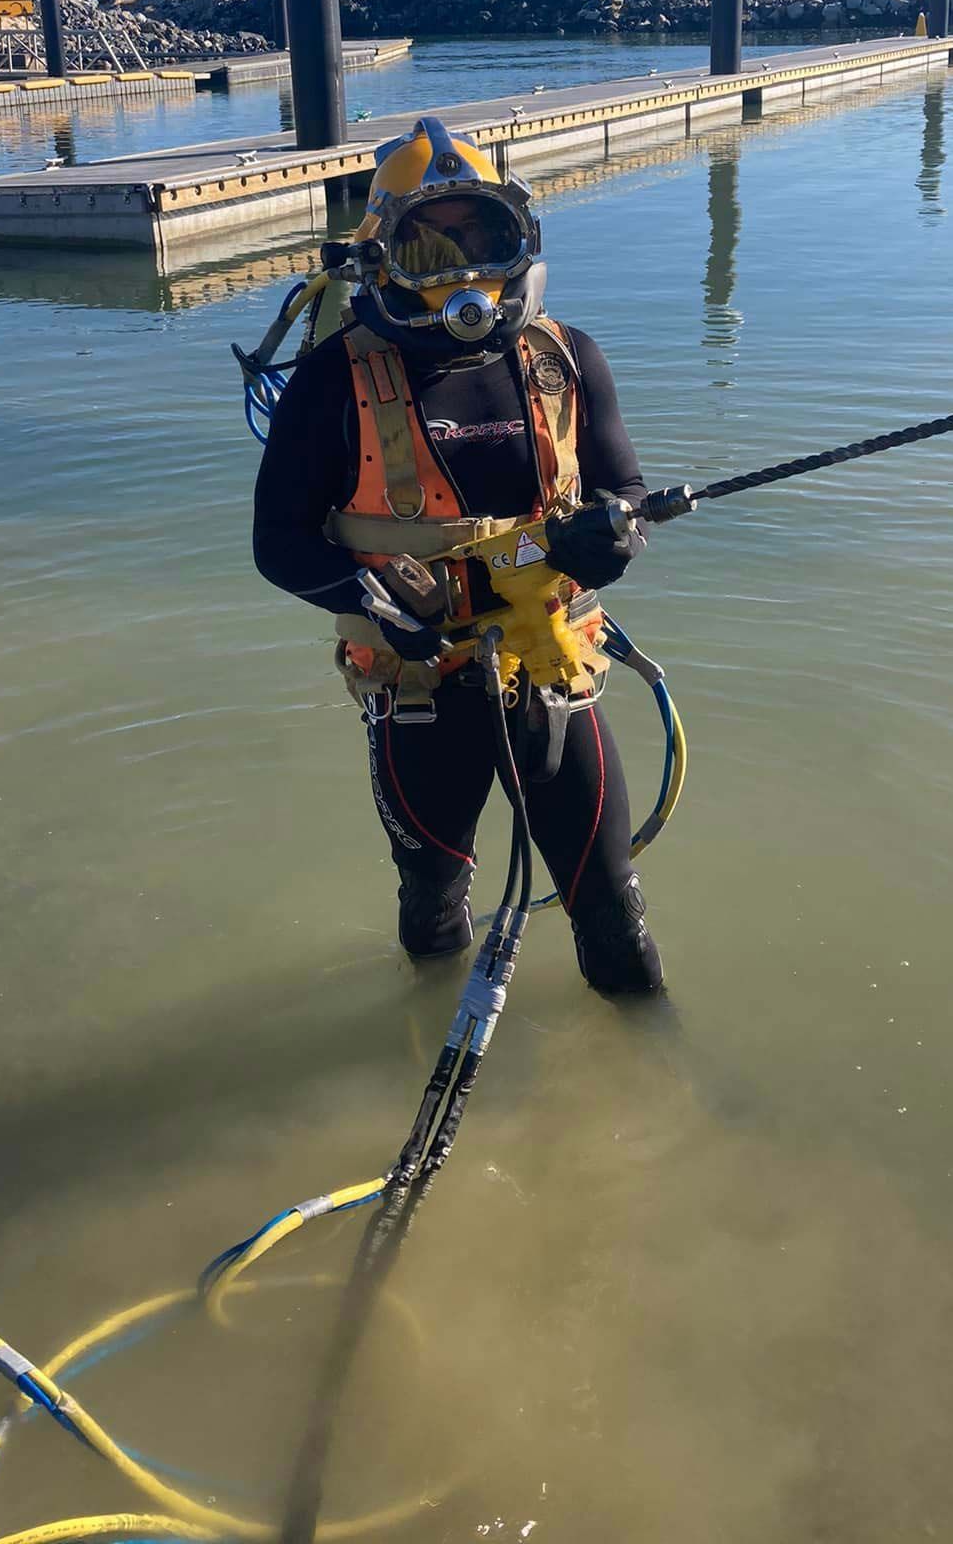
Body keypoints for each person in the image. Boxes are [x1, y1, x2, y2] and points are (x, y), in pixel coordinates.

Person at [252, 115, 663, 996]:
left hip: (554, 670)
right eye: (433, 249)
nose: (467, 271)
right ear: (382, 258)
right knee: (434, 908)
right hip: (419, 693)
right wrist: (380, 604)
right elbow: (277, 544)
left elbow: (625, 488)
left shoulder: (567, 357)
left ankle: (661, 1091)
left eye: (486, 239)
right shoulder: (332, 384)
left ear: (523, 239)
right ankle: (414, 1036)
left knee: (612, 909)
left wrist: (617, 533)